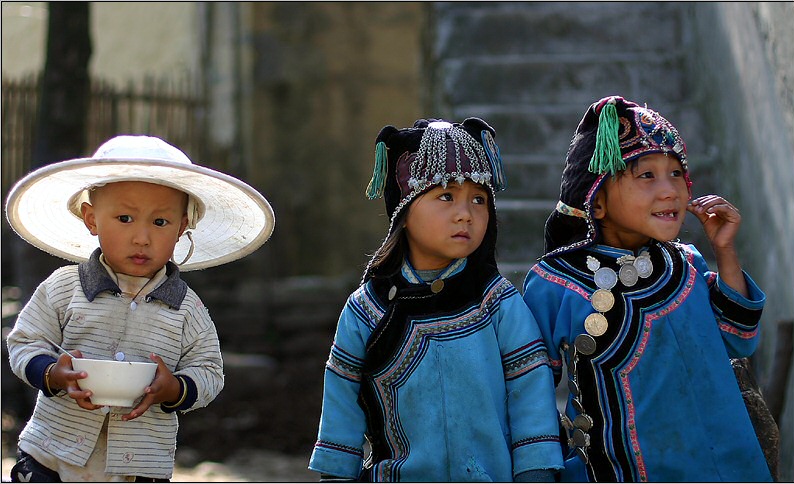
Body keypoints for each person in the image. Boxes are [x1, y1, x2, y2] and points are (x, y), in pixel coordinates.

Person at [521, 95, 772, 482]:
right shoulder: (556, 282)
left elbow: (740, 339)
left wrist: (724, 250)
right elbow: (528, 391)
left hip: (726, 466)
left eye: (676, 173)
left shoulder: (685, 263)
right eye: (646, 175)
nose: (670, 190)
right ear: (597, 199)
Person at [4, 135, 275, 482]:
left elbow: (209, 371)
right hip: (51, 458)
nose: (142, 237)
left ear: (181, 228)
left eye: (160, 222)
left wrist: (174, 389)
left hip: (140, 467)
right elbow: (24, 341)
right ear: (91, 219)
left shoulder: (187, 309)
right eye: (124, 218)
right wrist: (52, 373)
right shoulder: (63, 287)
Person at [308, 118, 564, 482]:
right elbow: (341, 409)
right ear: (404, 212)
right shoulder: (367, 311)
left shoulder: (498, 303)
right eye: (446, 195)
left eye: (479, 199)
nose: (466, 213)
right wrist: (336, 475)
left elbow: (531, 394)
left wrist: (535, 473)